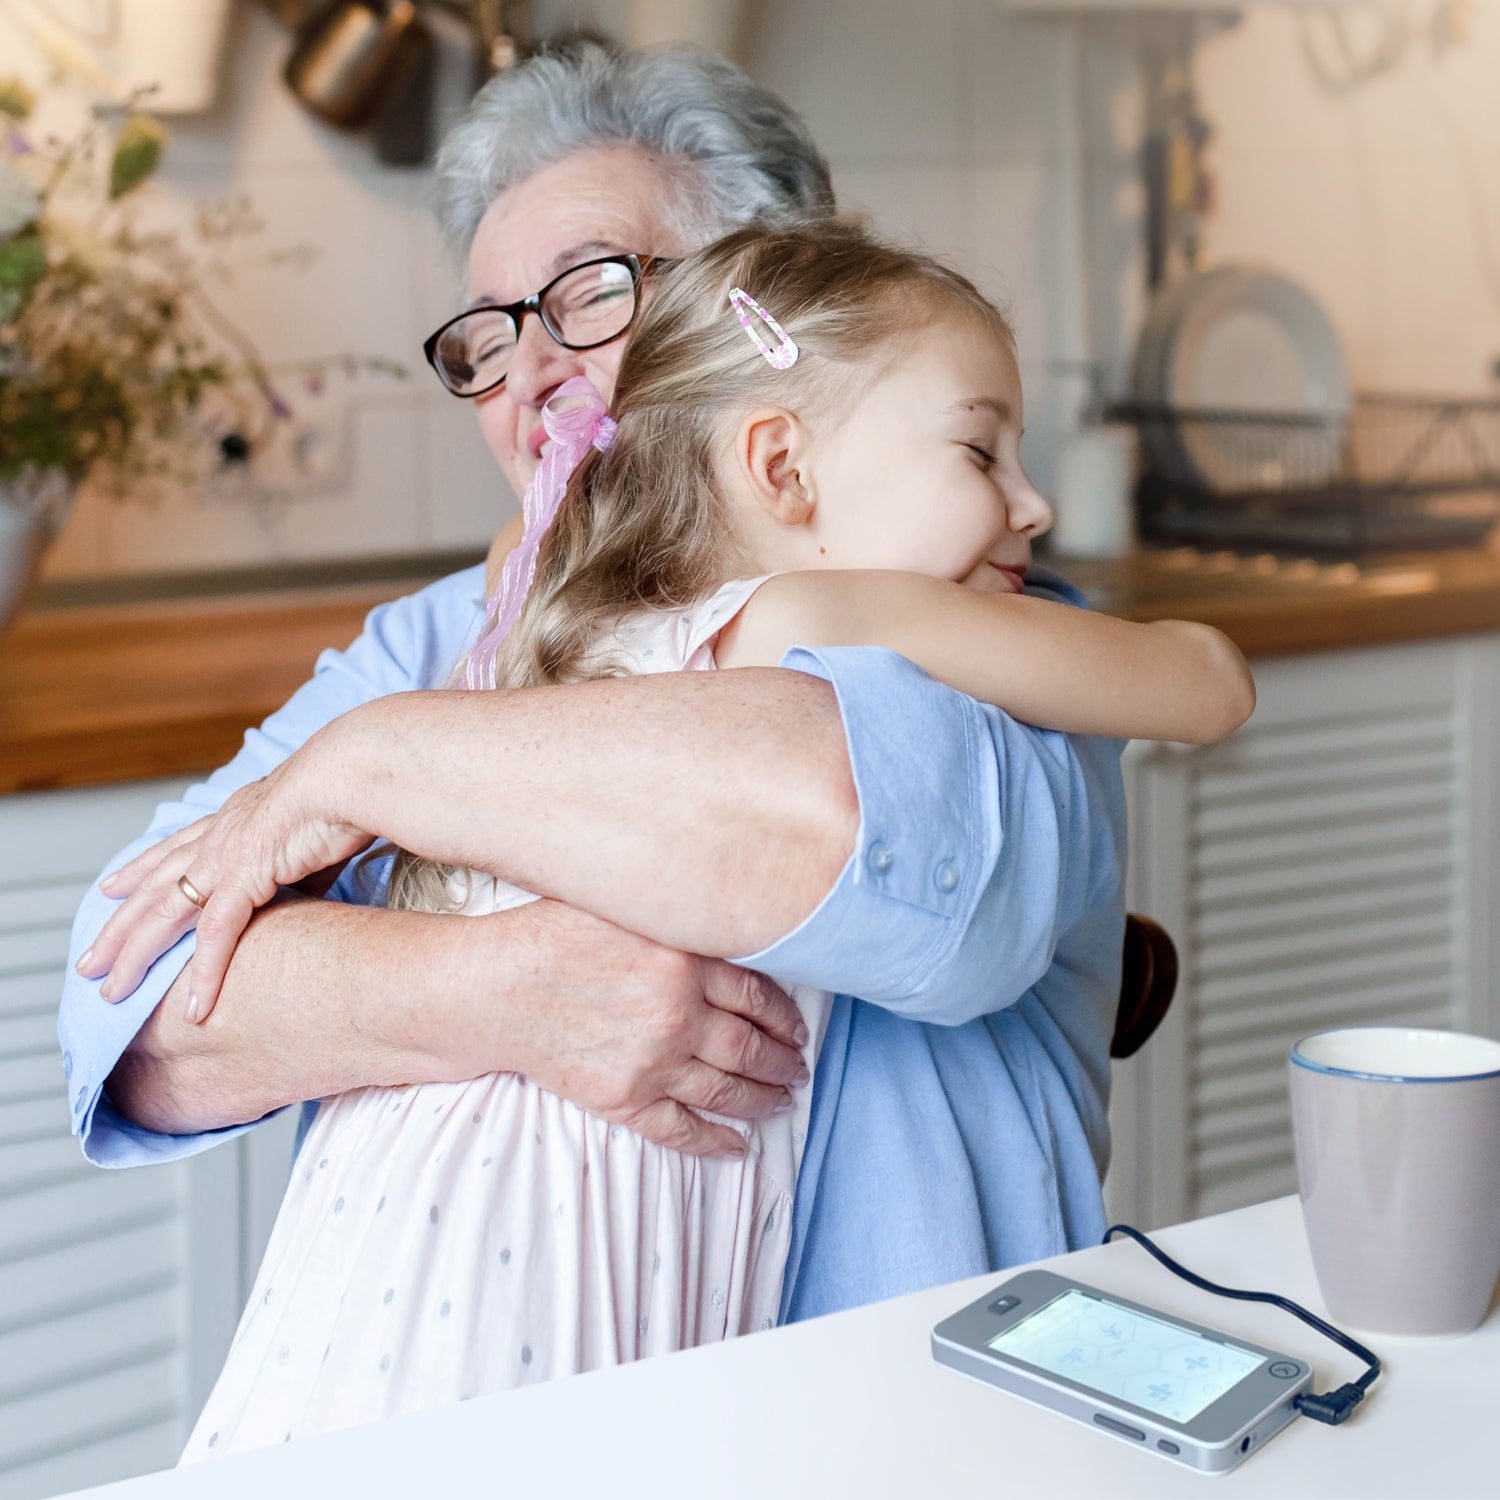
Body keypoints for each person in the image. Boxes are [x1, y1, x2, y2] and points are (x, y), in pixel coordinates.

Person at [59, 40, 1187, 1329]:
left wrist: (378, 769)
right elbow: (126, 993)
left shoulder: (974, 615)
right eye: (488, 332)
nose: (529, 372)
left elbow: (834, 833)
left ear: (778, 322)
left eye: (589, 292)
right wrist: (489, 989)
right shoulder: (440, 644)